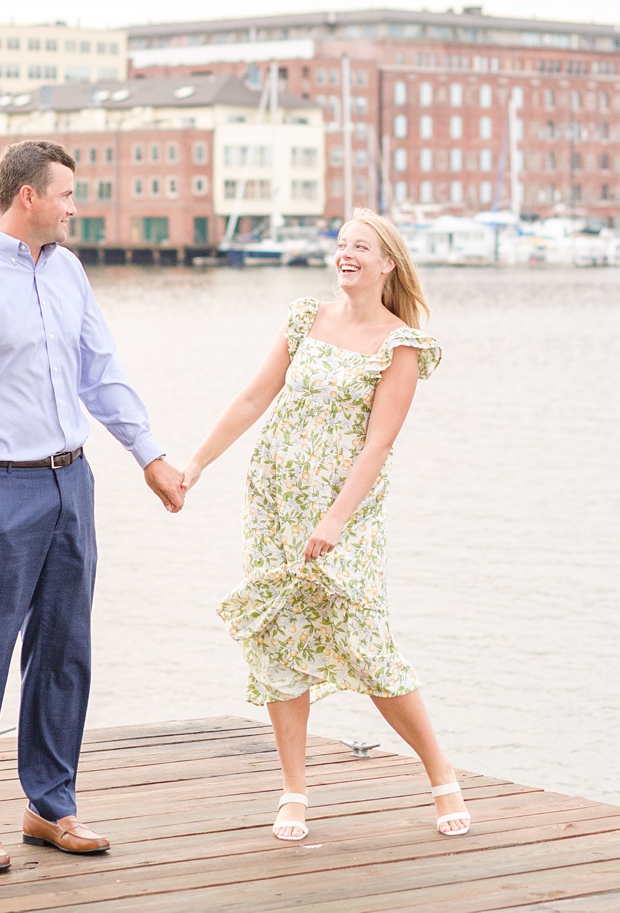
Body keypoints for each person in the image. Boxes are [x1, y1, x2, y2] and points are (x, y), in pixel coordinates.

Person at [0, 139, 187, 875]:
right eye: (66, 194)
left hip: (73, 482)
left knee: (65, 651)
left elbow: (102, 371)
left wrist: (150, 455)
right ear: (27, 198)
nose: (76, 207)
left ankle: (49, 805)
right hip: (2, 490)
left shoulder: (68, 271)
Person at [182, 209, 467, 842]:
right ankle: (294, 792)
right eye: (341, 245)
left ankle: (441, 776)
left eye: (361, 247)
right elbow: (254, 398)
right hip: (276, 508)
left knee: (367, 643)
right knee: (282, 639)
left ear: (387, 263)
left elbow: (377, 446)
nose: (347, 255)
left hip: (346, 517)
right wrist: (196, 463)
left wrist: (336, 520)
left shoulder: (402, 345)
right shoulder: (305, 319)